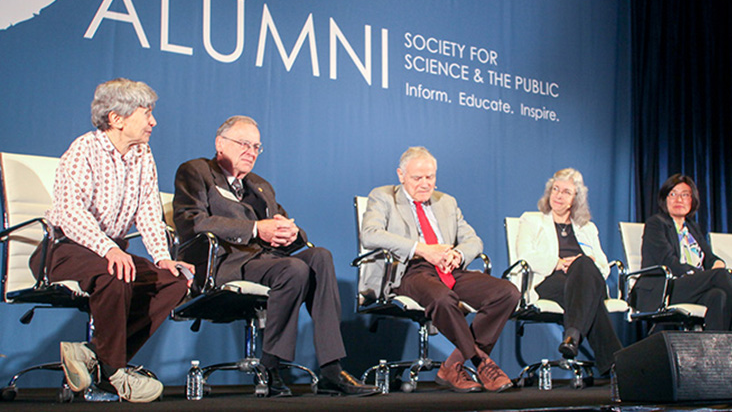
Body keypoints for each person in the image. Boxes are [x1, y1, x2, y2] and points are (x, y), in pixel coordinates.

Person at [172, 116, 377, 397]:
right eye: (244, 144)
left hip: (265, 260)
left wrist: (293, 233)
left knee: (320, 256)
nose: (251, 151)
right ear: (220, 144)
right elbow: (192, 222)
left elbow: (280, 221)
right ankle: (270, 366)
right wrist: (256, 229)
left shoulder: (260, 185)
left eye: (256, 146)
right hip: (224, 263)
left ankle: (331, 368)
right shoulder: (197, 171)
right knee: (294, 269)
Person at [29, 78, 194, 403]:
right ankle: (114, 373)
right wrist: (108, 248)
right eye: (146, 113)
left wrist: (162, 256)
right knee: (117, 273)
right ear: (117, 119)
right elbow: (70, 211)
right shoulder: (83, 149)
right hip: (63, 249)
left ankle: (93, 355)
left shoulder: (142, 154)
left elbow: (148, 211)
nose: (153, 122)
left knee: (175, 281)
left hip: (110, 251)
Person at [360, 146, 519, 393]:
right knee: (443, 298)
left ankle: (452, 366)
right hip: (409, 270)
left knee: (507, 293)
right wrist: (422, 249)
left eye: (430, 177)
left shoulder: (446, 201)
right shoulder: (383, 196)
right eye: (417, 178)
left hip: (448, 267)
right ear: (401, 175)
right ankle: (481, 362)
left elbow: (474, 240)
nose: (425, 184)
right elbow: (370, 235)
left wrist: (458, 254)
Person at [515, 168, 622, 375]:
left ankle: (573, 334)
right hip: (550, 279)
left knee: (583, 265)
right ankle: (616, 365)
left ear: (576, 199)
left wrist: (588, 261)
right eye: (555, 189)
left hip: (586, 278)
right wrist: (559, 263)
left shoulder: (587, 227)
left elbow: (603, 263)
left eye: (566, 192)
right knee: (589, 297)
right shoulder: (531, 220)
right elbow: (525, 255)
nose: (558, 196)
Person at [636, 174, 732, 331]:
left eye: (685, 195)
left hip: (690, 287)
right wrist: (703, 275)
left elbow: (710, 258)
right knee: (719, 276)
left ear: (692, 200)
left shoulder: (692, 228)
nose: (679, 200)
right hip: (663, 288)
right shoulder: (656, 224)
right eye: (673, 194)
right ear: (665, 199)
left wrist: (718, 263)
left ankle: (712, 352)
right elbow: (669, 262)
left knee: (718, 296)